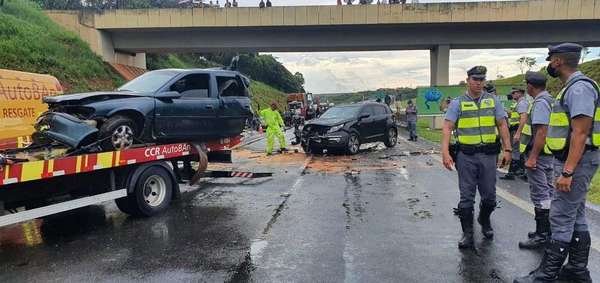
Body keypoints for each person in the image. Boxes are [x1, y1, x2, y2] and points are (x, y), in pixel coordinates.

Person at [515, 43, 600, 283]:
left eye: (551, 59)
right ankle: (576, 269)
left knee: (561, 216)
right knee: (577, 215)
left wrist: (568, 171)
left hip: (577, 162)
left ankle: (546, 274)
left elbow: (580, 133)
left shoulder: (579, 89)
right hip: (576, 160)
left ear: (558, 62)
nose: (549, 63)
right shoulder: (572, 87)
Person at [441, 65, 512, 249]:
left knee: (489, 197)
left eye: (482, 80)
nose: (479, 83)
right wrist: (445, 152)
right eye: (475, 79)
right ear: (468, 81)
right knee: (466, 197)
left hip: (489, 155)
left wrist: (508, 149)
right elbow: (448, 127)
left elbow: (502, 125)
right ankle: (467, 234)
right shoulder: (458, 103)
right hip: (466, 156)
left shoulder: (493, 101)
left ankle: (484, 219)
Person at [517, 71, 555, 250]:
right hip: (547, 155)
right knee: (548, 192)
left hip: (539, 156)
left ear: (530, 86)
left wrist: (532, 157)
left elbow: (541, 131)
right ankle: (548, 230)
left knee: (541, 194)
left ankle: (542, 235)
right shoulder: (549, 99)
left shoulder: (540, 103)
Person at [500, 87, 529, 180]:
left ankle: (513, 172)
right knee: (516, 150)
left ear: (519, 93)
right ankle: (518, 171)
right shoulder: (518, 103)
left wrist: (518, 132)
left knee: (516, 151)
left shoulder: (522, 103)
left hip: (517, 130)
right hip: (515, 129)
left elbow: (523, 118)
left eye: (513, 93)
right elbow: (515, 116)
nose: (512, 95)